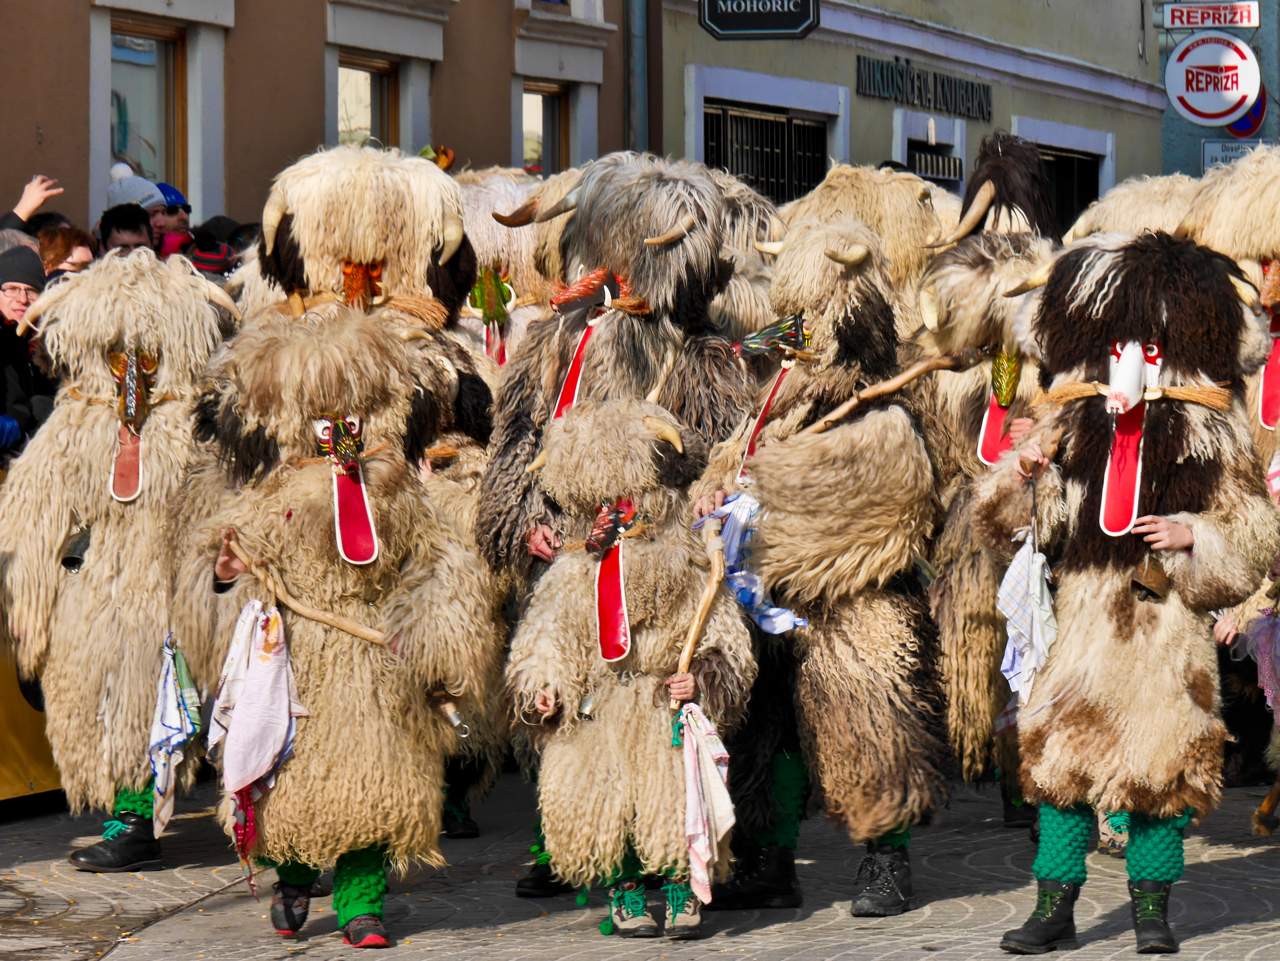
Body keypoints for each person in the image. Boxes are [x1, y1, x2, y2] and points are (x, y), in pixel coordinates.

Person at [0, 246, 46, 462]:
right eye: (11, 289)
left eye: (31, 290)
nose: (22, 299)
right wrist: (14, 433)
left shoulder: (43, 347)